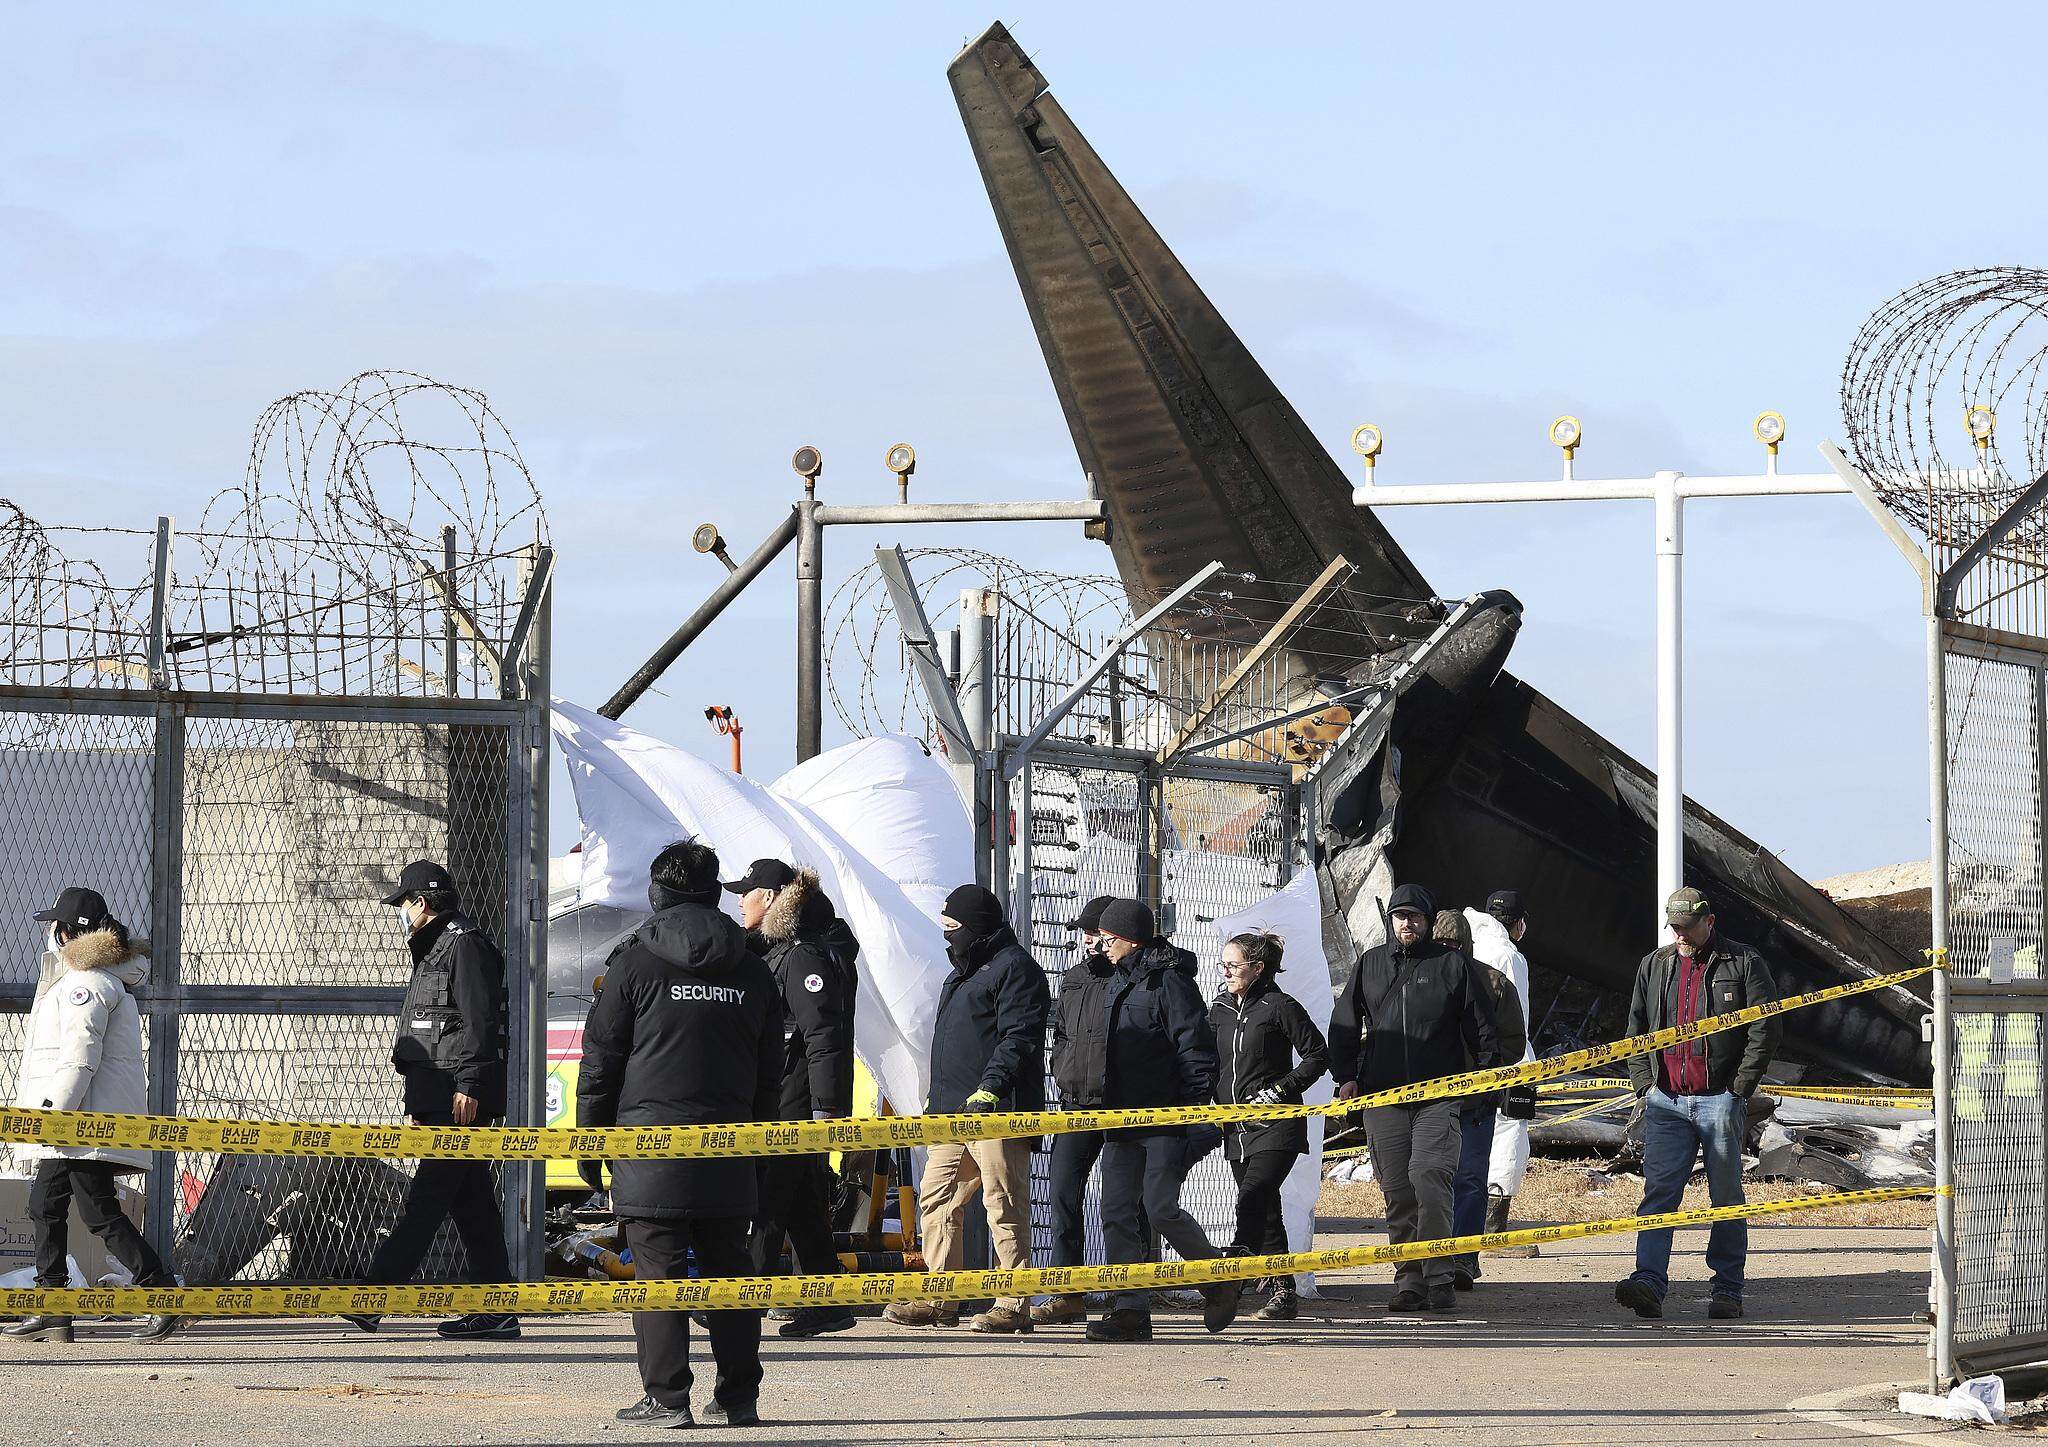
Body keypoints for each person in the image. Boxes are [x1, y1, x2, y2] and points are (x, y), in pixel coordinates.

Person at [579, 840, 782, 1429]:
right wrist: (758, 1141)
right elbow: (772, 1068)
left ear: (658, 891)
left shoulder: (635, 962)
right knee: (731, 1269)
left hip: (650, 1147)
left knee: (658, 1274)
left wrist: (592, 1143)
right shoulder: (751, 967)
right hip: (729, 1145)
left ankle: (667, 1399)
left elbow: (601, 1059)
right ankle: (739, 1395)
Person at [342, 860, 515, 1341]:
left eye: (403, 903)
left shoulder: (463, 946)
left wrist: (471, 1085)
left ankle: (373, 1297)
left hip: (458, 1099)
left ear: (421, 902)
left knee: (426, 1200)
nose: (401, 912)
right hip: (440, 1096)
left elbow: (480, 1023)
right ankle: (497, 1308)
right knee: (473, 1207)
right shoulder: (437, 947)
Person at [4, 887, 181, 1344]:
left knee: (93, 1212)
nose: (48, 934)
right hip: (73, 1124)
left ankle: (162, 1295)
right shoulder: (84, 979)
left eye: (53, 927)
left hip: (79, 1123)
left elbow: (81, 1055)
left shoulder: (89, 984)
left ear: (66, 932)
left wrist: (53, 1115)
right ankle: (53, 1306)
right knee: (49, 1205)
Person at [884, 884, 1050, 1335]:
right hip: (952, 1112)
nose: (947, 937)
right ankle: (941, 1297)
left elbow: (1019, 1036)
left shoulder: (1016, 970)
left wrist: (991, 1087)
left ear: (976, 928)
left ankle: (1013, 1301)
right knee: (936, 1199)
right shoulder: (962, 973)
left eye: (953, 929)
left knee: (1004, 1204)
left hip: (996, 1110)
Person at [1327, 883, 1496, 1313]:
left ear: (1427, 920)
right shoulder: (1370, 964)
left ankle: (1440, 1276)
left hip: (1439, 1097)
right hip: (1383, 1098)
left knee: (1429, 1177)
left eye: (1415, 917)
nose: (1407, 923)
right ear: (1391, 921)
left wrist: (1482, 1081)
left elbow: (1482, 1030)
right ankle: (1409, 1280)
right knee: (1398, 1188)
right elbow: (1345, 1023)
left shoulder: (1452, 966)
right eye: (1400, 916)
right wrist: (1345, 1075)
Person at [1616, 887, 1779, 1322]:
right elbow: (1637, 1029)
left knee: (1725, 1197)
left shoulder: (1743, 962)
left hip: (1719, 1101)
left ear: (1710, 921)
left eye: (1688, 927)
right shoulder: (1654, 965)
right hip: (1666, 1102)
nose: (1680, 934)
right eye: (1675, 927)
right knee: (1658, 1195)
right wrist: (1644, 1085)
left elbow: (1764, 1029)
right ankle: (1648, 1281)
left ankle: (1727, 1288)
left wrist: (1738, 1089)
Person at [1086, 898, 1240, 1342]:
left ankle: (1217, 1279)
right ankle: (1130, 1309)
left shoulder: (1170, 983)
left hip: (1165, 1121)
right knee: (1114, 1210)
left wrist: (1189, 1114)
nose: (1103, 946)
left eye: (1109, 939)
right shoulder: (1115, 981)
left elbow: (1195, 1048)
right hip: (1119, 1120)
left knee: (1159, 1207)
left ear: (1130, 939)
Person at [729, 859, 858, 1341]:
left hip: (797, 1101)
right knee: (801, 1199)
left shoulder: (801, 955)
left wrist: (826, 1109)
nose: (740, 901)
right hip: (787, 1094)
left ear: (770, 897)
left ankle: (745, 1299)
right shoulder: (783, 949)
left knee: (768, 1199)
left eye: (748, 892)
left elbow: (824, 1034)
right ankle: (828, 1301)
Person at [1209, 930, 1328, 1322]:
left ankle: (1234, 1274)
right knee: (1265, 1207)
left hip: (1276, 1125)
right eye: (1222, 964)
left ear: (1258, 968)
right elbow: (1209, 1061)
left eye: (1233, 965)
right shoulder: (1219, 1009)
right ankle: (1283, 1292)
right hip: (1235, 1127)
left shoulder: (1280, 1006)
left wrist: (1281, 1090)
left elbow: (1316, 1055)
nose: (1225, 972)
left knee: (1253, 1196)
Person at [1035, 894, 1120, 1327]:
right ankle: (1069, 1294)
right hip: (1075, 1105)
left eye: (1095, 933)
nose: (1088, 942)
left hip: (1123, 1107)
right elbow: (1064, 1034)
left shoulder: (1131, 979)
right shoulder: (1073, 978)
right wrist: (1061, 1070)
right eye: (1085, 934)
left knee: (1124, 1203)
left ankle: (1131, 1292)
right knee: (1063, 1196)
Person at [1440, 907, 1528, 1289]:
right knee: (1429, 1180)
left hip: (1476, 1102)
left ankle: (1463, 1257)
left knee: (1470, 1178)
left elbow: (1513, 1040)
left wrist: (1485, 1069)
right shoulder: (1415, 980)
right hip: (1426, 1103)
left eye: (1455, 944)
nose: (1449, 951)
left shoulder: (1493, 982)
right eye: (1442, 944)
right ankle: (1428, 1258)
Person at [1469, 890, 1539, 1259]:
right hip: (1507, 1063)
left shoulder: (1469, 944)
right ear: (1519, 923)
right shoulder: (1509, 956)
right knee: (1509, 1137)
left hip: (1470, 1063)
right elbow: (1517, 1019)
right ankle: (1492, 1232)